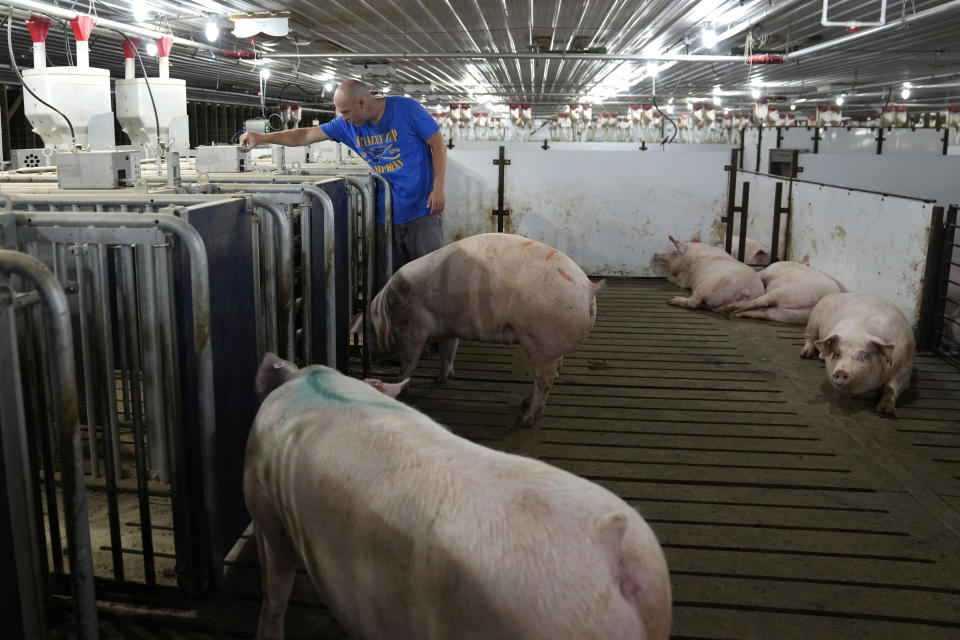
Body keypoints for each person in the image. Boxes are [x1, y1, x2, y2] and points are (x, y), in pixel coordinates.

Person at [238, 79, 447, 290]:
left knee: (430, 281)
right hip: (386, 214)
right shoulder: (346, 125)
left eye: (346, 111)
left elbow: (438, 144)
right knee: (393, 284)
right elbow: (306, 135)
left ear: (362, 103)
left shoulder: (405, 109)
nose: (343, 117)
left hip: (423, 210)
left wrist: (438, 188)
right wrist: (262, 137)